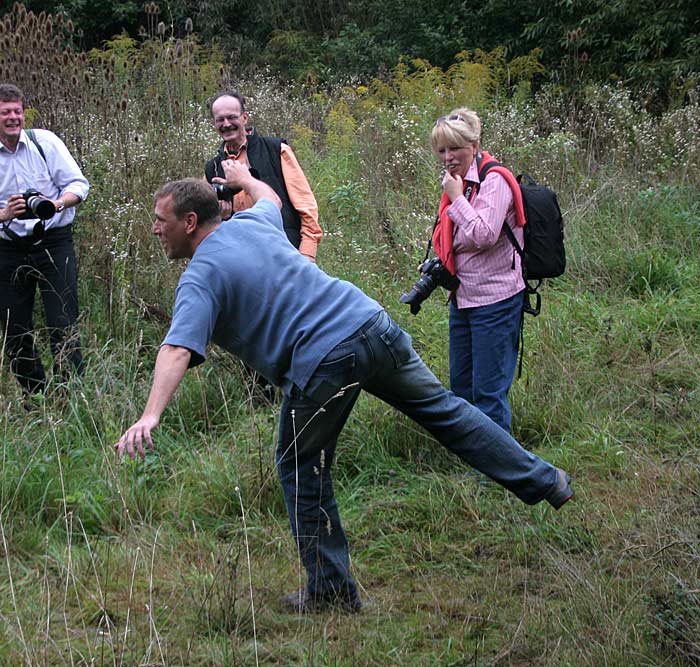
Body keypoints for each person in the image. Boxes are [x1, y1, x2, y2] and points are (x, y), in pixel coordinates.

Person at [115, 161, 574, 614]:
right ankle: (545, 479)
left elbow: (175, 349)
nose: (155, 230)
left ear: (189, 222)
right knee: (448, 413)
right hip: (372, 325)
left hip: (325, 360)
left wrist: (150, 414)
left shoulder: (200, 275)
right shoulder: (252, 224)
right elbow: (271, 198)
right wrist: (245, 180)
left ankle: (332, 591)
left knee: (300, 466)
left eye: (160, 221)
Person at [0, 84, 90, 394]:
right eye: (5, 112)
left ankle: (71, 396)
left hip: (54, 241)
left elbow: (79, 185)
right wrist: (3, 214)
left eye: (17, 111)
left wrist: (56, 203)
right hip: (11, 248)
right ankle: (35, 398)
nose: (13, 117)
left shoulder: (44, 142)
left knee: (62, 322)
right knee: (15, 329)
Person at [430, 108, 524, 433]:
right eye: (441, 150)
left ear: (474, 144)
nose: (448, 157)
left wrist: (455, 198)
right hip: (464, 298)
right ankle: (473, 457)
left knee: (488, 393)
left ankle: (496, 471)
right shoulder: (460, 182)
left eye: (454, 148)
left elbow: (484, 234)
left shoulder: (494, 180)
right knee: (461, 387)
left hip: (496, 300)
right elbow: (456, 235)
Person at [205, 91, 323, 262]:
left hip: (287, 255)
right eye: (220, 120)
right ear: (213, 123)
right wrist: (220, 218)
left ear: (244, 118)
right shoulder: (212, 168)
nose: (226, 124)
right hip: (242, 262)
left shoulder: (275, 150)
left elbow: (306, 206)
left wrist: (306, 255)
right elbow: (209, 229)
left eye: (232, 117)